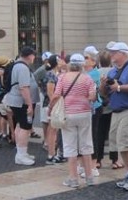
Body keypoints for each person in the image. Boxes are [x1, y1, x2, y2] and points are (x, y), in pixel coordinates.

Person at [100, 42, 128, 191]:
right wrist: (103, 85)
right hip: (116, 110)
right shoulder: (112, 72)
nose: (111, 55)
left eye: (114, 52)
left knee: (125, 142)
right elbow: (105, 94)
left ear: (124, 54)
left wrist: (119, 87)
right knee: (117, 143)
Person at [50, 54, 97, 188]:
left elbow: (57, 95)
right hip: (85, 113)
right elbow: (92, 97)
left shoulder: (62, 77)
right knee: (86, 145)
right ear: (82, 65)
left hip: (69, 114)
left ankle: (73, 178)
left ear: (70, 64)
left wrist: (50, 108)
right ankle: (89, 177)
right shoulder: (87, 78)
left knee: (70, 146)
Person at [5, 46, 39, 166]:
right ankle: (20, 155)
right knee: (25, 127)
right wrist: (29, 105)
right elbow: (24, 87)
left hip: (17, 101)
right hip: (21, 102)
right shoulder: (22, 67)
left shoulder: (18, 65)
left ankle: (22, 153)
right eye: (34, 55)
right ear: (30, 56)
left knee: (20, 126)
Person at [95, 49, 122, 169]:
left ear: (99, 61)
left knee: (99, 134)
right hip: (112, 106)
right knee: (113, 134)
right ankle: (114, 160)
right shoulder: (113, 71)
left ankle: (98, 159)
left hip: (99, 106)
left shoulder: (95, 73)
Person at [83, 46, 102, 174]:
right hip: (88, 108)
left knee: (92, 136)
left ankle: (93, 165)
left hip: (94, 107)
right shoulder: (87, 74)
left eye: (86, 58)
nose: (84, 60)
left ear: (93, 61)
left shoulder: (93, 74)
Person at [42, 54, 65, 164]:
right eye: (60, 60)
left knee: (55, 129)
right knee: (53, 130)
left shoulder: (57, 74)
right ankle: (51, 155)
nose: (62, 62)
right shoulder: (51, 75)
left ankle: (54, 153)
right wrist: (53, 105)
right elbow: (50, 92)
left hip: (55, 104)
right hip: (52, 104)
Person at [0, 56, 14, 144]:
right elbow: (5, 85)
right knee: (4, 116)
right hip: (3, 95)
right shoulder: (3, 73)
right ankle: (4, 133)